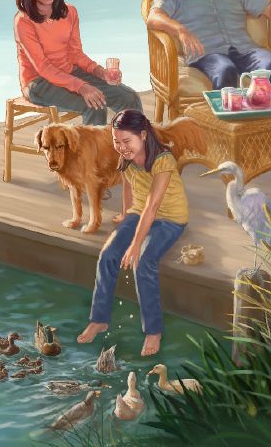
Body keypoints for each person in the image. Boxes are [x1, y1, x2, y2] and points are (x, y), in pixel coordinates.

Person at [77, 109, 188, 356]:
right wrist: (126, 216)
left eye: (126, 141)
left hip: (169, 218)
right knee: (108, 255)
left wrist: (136, 243)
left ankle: (153, 331)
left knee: (144, 260)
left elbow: (153, 206)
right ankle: (99, 319)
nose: (121, 147)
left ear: (143, 135)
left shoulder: (162, 160)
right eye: (117, 142)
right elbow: (128, 187)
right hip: (139, 214)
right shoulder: (125, 158)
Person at [14, 0, 142, 124]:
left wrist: (100, 72)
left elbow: (75, 54)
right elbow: (43, 67)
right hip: (38, 83)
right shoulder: (23, 21)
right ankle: (95, 151)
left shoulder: (70, 12)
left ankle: (135, 146)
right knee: (94, 104)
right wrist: (82, 87)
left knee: (129, 97)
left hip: (69, 71)